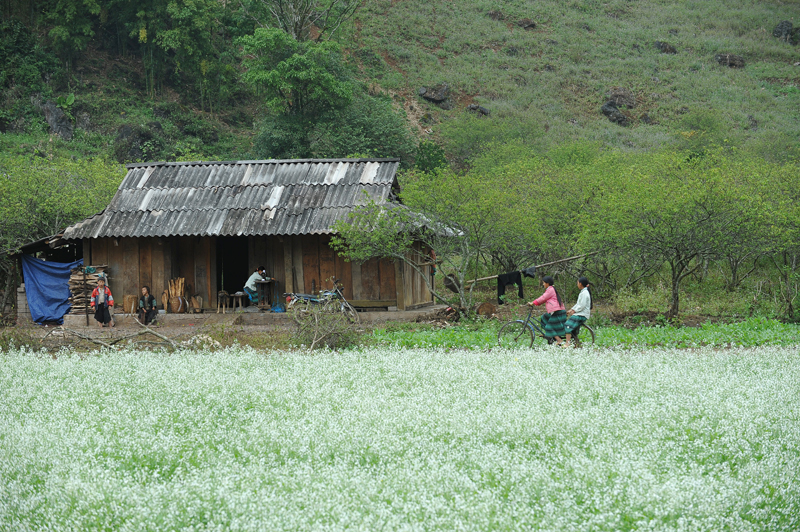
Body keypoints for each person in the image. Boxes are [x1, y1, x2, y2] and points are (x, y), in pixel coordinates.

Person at [528, 275, 566, 345]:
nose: (543, 284)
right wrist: (535, 303)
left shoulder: (550, 289)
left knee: (549, 326)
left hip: (557, 311)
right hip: (556, 311)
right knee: (544, 317)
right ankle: (550, 334)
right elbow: (543, 300)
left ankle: (559, 339)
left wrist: (533, 303)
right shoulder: (550, 289)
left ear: (547, 283)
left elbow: (543, 298)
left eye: (543, 283)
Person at [564, 277, 592, 347]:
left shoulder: (585, 293)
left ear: (581, 284)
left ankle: (567, 343)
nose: (577, 284)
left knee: (567, 325)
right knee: (572, 328)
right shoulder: (583, 292)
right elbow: (578, 304)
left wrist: (574, 310)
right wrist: (571, 309)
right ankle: (575, 343)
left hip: (582, 315)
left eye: (577, 283)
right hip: (580, 313)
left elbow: (582, 305)